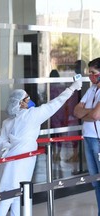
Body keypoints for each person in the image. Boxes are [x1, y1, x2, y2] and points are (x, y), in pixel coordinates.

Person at [0, 78, 82, 216]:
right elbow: (55, 103)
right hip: (20, 162)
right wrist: (72, 88)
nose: (29, 100)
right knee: (10, 195)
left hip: (13, 162)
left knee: (16, 195)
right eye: (26, 98)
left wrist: (8, 147)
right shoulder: (32, 116)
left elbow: (0, 141)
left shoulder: (9, 121)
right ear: (20, 103)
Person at [74, 57, 100, 216]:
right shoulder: (91, 90)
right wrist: (89, 113)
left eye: (93, 73)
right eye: (89, 73)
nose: (90, 76)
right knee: (95, 181)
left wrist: (88, 113)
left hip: (98, 139)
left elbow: (96, 115)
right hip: (89, 138)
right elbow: (76, 111)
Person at [49, 69, 66, 161]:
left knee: (52, 135)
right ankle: (58, 154)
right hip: (60, 113)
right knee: (59, 135)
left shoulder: (49, 87)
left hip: (52, 114)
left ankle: (54, 153)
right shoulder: (61, 87)